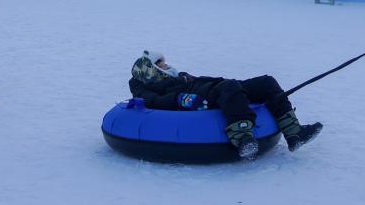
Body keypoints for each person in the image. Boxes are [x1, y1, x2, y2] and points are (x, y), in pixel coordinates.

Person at [129, 50, 323, 159]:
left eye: (163, 62)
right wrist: (179, 98)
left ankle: (294, 133)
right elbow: (153, 101)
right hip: (205, 98)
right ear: (149, 71)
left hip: (218, 88)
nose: (165, 65)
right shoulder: (145, 87)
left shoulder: (179, 76)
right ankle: (243, 138)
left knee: (267, 82)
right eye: (159, 64)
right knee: (229, 87)